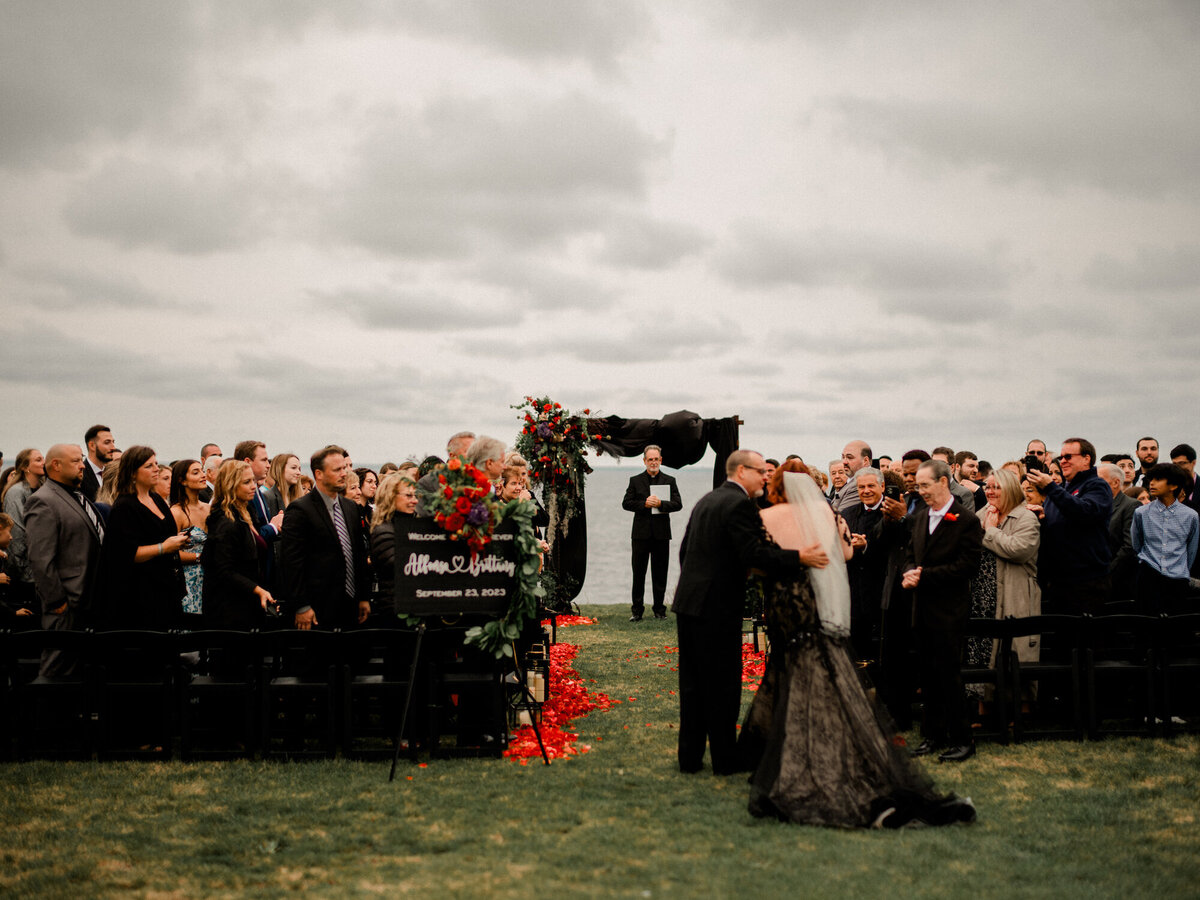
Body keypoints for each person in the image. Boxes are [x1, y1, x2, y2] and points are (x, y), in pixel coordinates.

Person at [739, 469, 976, 829]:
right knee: (824, 676)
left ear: (774, 488)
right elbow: (846, 554)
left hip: (786, 608)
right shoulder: (827, 515)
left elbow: (753, 562)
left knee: (794, 675)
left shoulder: (764, 517)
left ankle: (792, 755)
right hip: (817, 608)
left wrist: (787, 561)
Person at [671, 449, 825, 776]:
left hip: (690, 602)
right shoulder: (740, 504)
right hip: (716, 607)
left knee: (693, 684)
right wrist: (800, 557)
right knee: (723, 684)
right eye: (760, 472)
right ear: (742, 471)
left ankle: (690, 758)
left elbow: (686, 550)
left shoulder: (708, 499)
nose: (766, 477)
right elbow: (753, 553)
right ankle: (725, 761)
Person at [902, 459, 983, 763]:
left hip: (949, 610)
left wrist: (926, 576)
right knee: (928, 676)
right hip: (920, 608)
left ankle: (962, 739)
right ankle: (933, 735)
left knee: (949, 675)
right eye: (917, 485)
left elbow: (969, 566)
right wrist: (908, 573)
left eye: (924, 485)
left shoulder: (966, 520)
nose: (920, 490)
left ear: (943, 482)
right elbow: (911, 555)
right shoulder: (920, 518)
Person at [24, 445, 106, 676]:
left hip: (88, 601)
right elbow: (41, 559)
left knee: (79, 672)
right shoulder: (43, 500)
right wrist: (57, 600)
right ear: (56, 465)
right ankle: (43, 712)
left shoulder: (77, 496)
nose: (82, 466)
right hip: (67, 603)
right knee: (56, 670)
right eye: (75, 461)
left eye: (81, 460)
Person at [279, 445, 370, 630]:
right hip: (317, 608)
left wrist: (363, 597)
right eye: (337, 470)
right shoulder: (300, 510)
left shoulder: (350, 507)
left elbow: (358, 554)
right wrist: (302, 605)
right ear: (318, 474)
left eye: (344, 468)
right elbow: (291, 562)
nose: (344, 474)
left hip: (351, 605)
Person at [101, 445, 188, 630]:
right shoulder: (125, 507)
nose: (157, 469)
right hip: (141, 594)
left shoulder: (156, 499)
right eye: (149, 466)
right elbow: (125, 554)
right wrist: (163, 547)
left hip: (166, 587)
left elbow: (162, 534)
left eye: (156, 464)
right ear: (133, 473)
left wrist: (177, 540)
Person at [1025, 438, 1111, 614]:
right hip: (1059, 581)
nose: (1062, 460)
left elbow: (1085, 512)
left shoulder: (1097, 486)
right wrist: (1041, 518)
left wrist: (1050, 487)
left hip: (1086, 582)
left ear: (1086, 459)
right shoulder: (1062, 490)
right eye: (1062, 456)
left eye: (1068, 457)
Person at [973, 469, 1041, 686]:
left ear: (1010, 489)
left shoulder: (1026, 517)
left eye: (996, 487)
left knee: (1014, 652)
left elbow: (1019, 550)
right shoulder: (981, 515)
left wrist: (991, 532)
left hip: (1016, 592)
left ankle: (1018, 710)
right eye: (988, 487)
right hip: (984, 592)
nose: (990, 492)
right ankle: (983, 709)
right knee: (982, 651)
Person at [202, 460, 275, 630]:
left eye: (253, 481)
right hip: (229, 609)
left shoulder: (246, 512)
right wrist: (256, 589)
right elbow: (223, 570)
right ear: (230, 485)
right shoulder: (226, 522)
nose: (253, 486)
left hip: (246, 603)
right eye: (246, 482)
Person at [622, 445, 682, 622]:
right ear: (644, 461)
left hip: (662, 534)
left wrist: (661, 504)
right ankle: (637, 611)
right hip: (640, 534)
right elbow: (626, 503)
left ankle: (659, 610)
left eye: (656, 459)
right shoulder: (635, 480)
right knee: (638, 573)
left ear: (661, 460)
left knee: (660, 573)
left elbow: (678, 504)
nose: (653, 462)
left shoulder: (670, 480)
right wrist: (644, 504)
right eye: (650, 459)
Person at [1131, 463, 1199, 615]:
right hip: (1148, 575)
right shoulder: (1141, 513)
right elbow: (1136, 544)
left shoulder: (1191, 516)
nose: (1152, 483)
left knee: (1175, 628)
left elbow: (1191, 549)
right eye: (1151, 479)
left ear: (1173, 485)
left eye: (1158, 479)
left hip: (1178, 578)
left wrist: (1181, 569)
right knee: (1147, 624)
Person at [1, 448, 45, 613]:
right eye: (38, 460)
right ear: (26, 467)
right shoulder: (16, 493)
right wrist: (27, 575)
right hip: (26, 573)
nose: (43, 463)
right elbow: (17, 536)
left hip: (40, 568)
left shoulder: (42, 489)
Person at [169, 458, 210, 625]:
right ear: (182, 480)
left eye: (202, 471)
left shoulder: (208, 508)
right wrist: (200, 557)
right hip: (188, 580)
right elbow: (170, 552)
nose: (203, 475)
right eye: (196, 472)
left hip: (210, 578)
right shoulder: (177, 512)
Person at [369, 473, 418, 606]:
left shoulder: (411, 526)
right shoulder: (383, 531)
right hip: (394, 606)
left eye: (415, 496)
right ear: (390, 497)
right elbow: (403, 566)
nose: (415, 501)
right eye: (408, 496)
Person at [1099, 462, 1138, 605]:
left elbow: (1129, 546)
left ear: (1115, 483)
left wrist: (1107, 572)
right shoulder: (1097, 505)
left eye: (1099, 481)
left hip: (1119, 582)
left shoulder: (1130, 506)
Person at [834, 440, 872, 513]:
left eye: (849, 457)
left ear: (865, 461)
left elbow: (840, 515)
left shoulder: (859, 485)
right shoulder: (850, 481)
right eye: (843, 457)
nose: (844, 462)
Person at [81, 424, 116, 502]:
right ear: (92, 446)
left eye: (113, 442)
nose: (113, 447)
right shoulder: (81, 475)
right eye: (107, 442)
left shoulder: (113, 475)